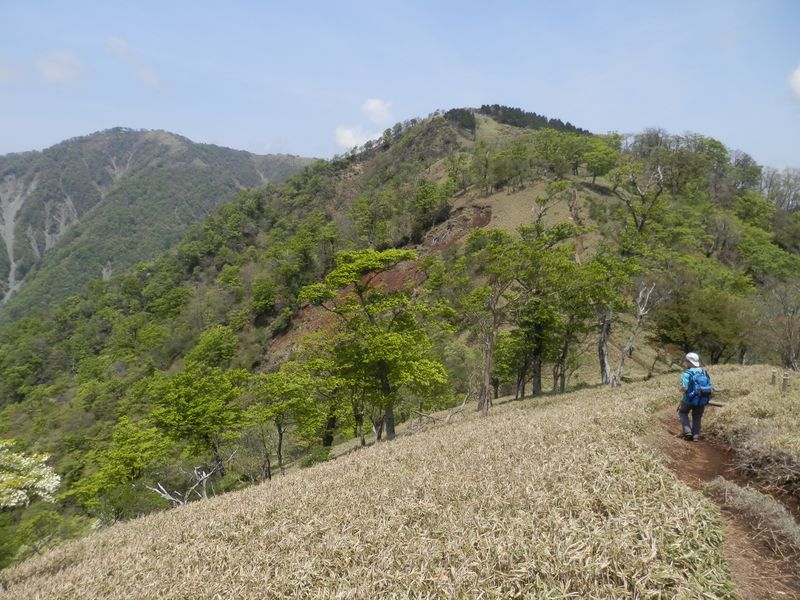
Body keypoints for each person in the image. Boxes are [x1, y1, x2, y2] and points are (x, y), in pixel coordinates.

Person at [679, 352, 706, 441]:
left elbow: (684, 388)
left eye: (686, 361)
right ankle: (695, 436)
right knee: (697, 416)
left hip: (689, 399)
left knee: (683, 412)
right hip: (702, 399)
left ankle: (687, 432)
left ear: (689, 362)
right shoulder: (703, 372)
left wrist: (681, 390)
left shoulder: (686, 373)